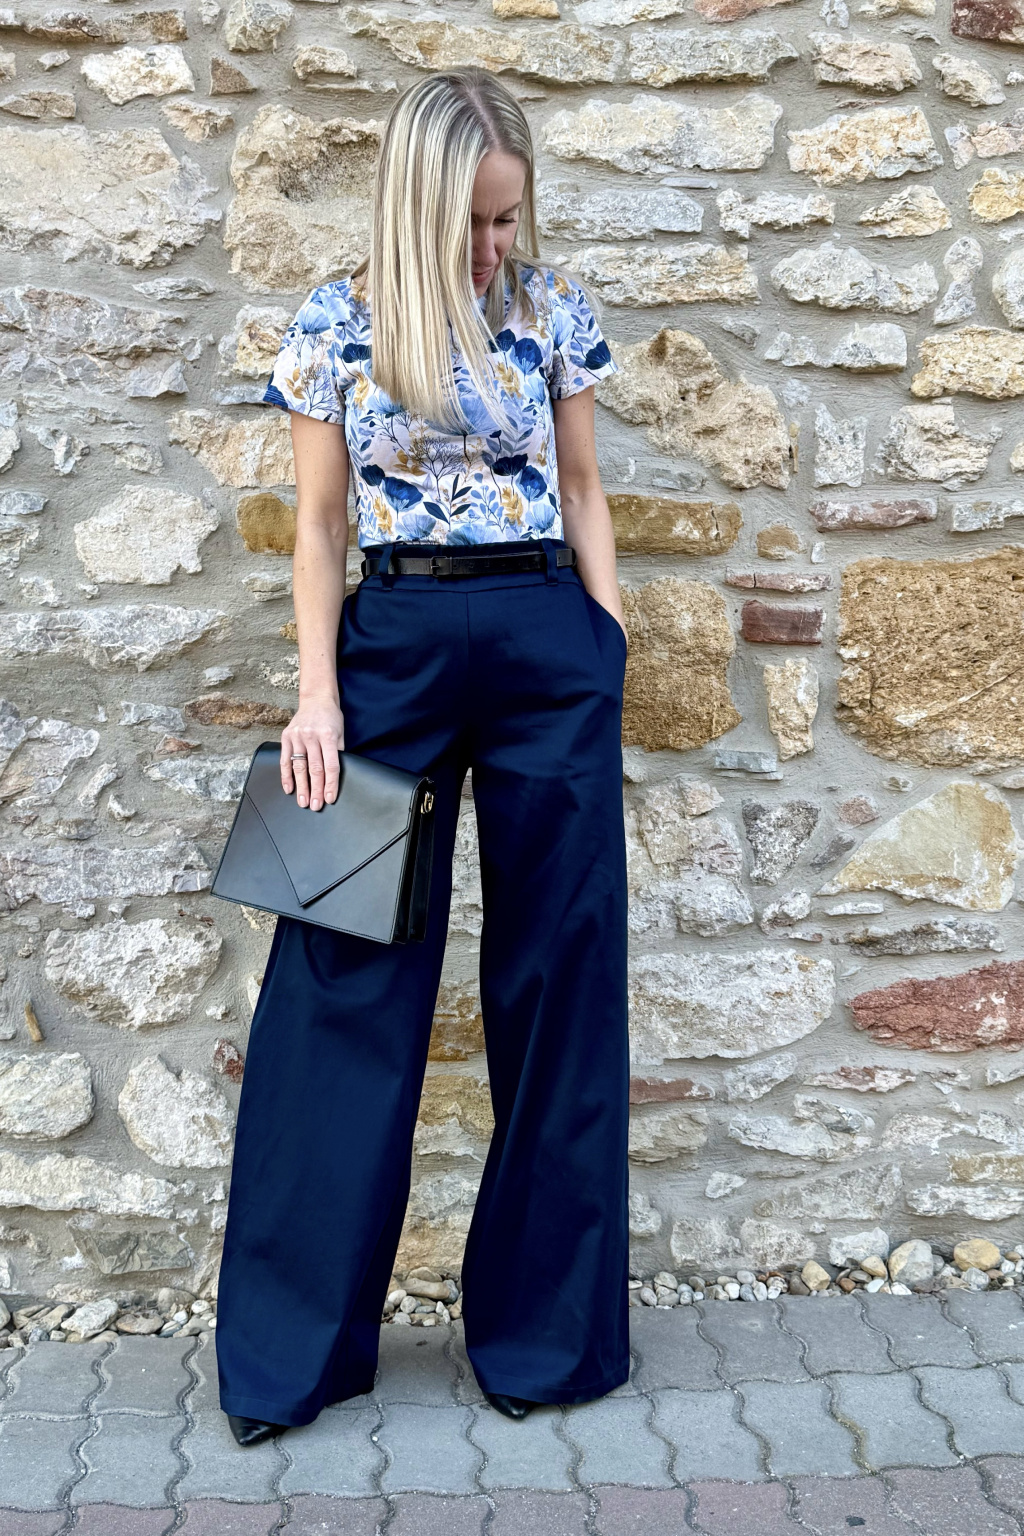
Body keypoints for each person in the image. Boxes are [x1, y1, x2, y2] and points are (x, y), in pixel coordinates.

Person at [214, 65, 631, 1447]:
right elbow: (319, 528)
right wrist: (315, 699)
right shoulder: (336, 323)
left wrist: (605, 641)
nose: (496, 247)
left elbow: (583, 487)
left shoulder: (552, 308)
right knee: (336, 981)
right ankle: (291, 1357)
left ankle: (545, 1341)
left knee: (561, 974)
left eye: (509, 219)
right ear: (416, 206)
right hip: (386, 646)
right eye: (473, 223)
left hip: (544, 641)